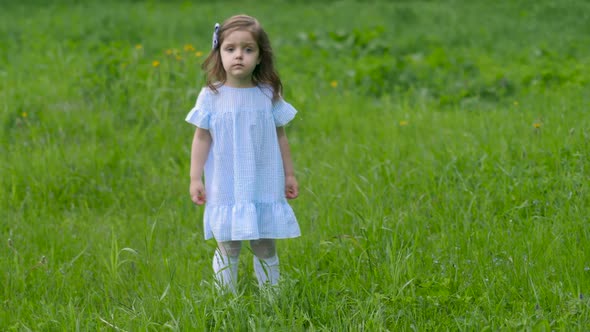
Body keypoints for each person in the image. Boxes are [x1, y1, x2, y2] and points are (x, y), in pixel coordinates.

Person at [185, 14, 300, 292]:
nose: (239, 56)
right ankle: (225, 301)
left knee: (263, 242)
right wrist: (195, 178)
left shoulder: (267, 94)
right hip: (226, 183)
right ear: (219, 53)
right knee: (228, 243)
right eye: (230, 49)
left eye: (248, 49)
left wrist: (289, 174)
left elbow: (280, 135)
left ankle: (272, 298)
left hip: (263, 181)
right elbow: (201, 137)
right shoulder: (211, 96)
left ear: (260, 56)